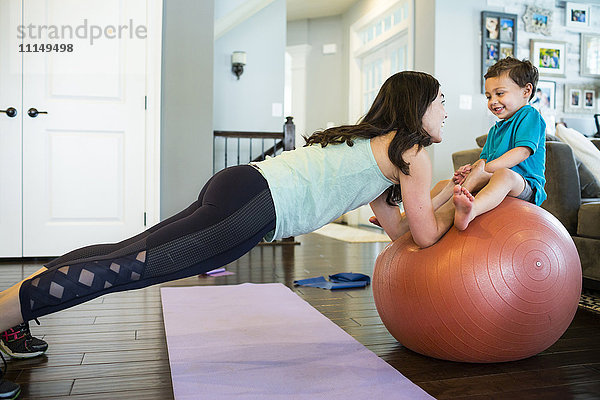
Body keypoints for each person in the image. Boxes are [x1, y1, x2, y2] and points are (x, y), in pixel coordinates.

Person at [0, 71, 455, 336]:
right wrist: (458, 198)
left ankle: (11, 319)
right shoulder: (412, 152)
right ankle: (4, 316)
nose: (445, 112)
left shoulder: (378, 147)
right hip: (253, 206)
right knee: (131, 266)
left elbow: (401, 233)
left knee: (121, 254)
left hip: (242, 185)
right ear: (417, 107)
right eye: (439, 102)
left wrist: (448, 195)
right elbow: (428, 234)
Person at [452, 57, 546, 231]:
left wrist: (485, 169)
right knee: (457, 178)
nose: (492, 101)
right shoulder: (495, 130)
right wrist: (472, 170)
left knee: (504, 174)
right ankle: (457, 197)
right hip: (495, 179)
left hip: (525, 186)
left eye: (500, 93)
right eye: (488, 96)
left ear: (526, 91)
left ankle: (471, 211)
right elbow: (484, 161)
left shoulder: (530, 115)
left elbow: (522, 152)